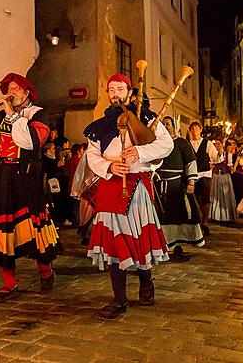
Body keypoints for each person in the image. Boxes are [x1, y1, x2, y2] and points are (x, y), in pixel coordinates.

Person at [84, 74, 173, 319]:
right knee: (113, 243)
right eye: (111, 89)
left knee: (138, 238)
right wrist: (109, 167)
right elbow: (92, 156)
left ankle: (146, 281)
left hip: (137, 187)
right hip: (110, 187)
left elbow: (166, 145)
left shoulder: (145, 117)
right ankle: (119, 298)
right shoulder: (99, 125)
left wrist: (140, 152)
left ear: (129, 92)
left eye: (120, 89)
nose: (115, 93)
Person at [0, 73, 58, 301]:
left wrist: (12, 115)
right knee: (2, 229)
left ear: (27, 93)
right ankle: (9, 284)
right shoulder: (0, 118)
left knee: (34, 228)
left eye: (17, 88)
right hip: (1, 177)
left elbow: (30, 141)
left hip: (25, 177)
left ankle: (45, 271)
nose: (12, 92)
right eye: (9, 88)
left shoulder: (37, 114)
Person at [155, 117, 204, 261]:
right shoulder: (156, 144)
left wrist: (191, 182)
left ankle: (177, 246)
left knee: (178, 215)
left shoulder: (181, 143)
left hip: (176, 186)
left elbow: (190, 162)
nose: (165, 126)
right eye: (163, 124)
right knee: (161, 217)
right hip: (158, 187)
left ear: (174, 126)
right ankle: (163, 246)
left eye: (168, 124)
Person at [187, 121, 218, 236]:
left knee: (205, 199)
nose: (194, 131)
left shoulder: (207, 143)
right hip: (192, 175)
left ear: (200, 130)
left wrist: (219, 154)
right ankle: (195, 221)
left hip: (204, 174)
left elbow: (215, 157)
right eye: (192, 129)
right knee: (193, 199)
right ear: (190, 131)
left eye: (196, 128)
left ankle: (204, 222)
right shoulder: (187, 143)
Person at [209, 139, 237, 223]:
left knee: (225, 196)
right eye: (215, 143)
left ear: (222, 144)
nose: (217, 145)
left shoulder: (227, 154)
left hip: (224, 176)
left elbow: (230, 166)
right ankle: (216, 216)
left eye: (218, 143)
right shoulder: (212, 154)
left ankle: (227, 216)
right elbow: (212, 164)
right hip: (216, 176)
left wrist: (233, 168)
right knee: (216, 195)